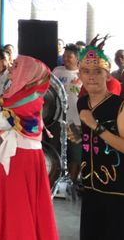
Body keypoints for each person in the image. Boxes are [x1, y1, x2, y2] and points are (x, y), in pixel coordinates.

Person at [0, 56, 58, 240]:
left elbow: (1, 121)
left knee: (17, 204)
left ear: (27, 74)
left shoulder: (26, 100)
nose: (11, 69)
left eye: (16, 67)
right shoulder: (19, 96)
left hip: (22, 158)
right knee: (13, 202)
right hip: (18, 155)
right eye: (13, 65)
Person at [77, 37, 124, 239]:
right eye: (86, 71)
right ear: (79, 74)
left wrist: (95, 127)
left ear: (107, 75)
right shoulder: (82, 103)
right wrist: (81, 136)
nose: (91, 77)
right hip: (90, 186)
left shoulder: (120, 106)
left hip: (118, 191)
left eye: (98, 71)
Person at [52, 43, 82, 183]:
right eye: (64, 56)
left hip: (75, 121)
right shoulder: (57, 71)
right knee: (55, 149)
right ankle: (55, 180)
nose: (65, 59)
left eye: (69, 56)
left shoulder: (83, 74)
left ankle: (73, 182)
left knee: (74, 152)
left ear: (77, 58)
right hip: (57, 119)